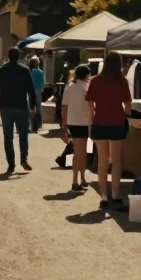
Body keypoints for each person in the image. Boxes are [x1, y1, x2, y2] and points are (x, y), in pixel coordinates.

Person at [87, 52, 132, 209]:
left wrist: (92, 117)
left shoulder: (96, 81)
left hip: (99, 122)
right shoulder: (122, 81)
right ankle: (116, 193)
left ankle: (104, 195)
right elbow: (128, 106)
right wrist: (124, 113)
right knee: (116, 160)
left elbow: (90, 103)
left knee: (103, 160)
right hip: (117, 122)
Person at [0, 47, 37, 175]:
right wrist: (32, 105)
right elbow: (31, 90)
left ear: (8, 56)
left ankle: (11, 164)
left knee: (8, 137)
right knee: (23, 135)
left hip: (5, 107)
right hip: (21, 107)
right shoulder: (25, 70)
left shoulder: (1, 70)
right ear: (18, 57)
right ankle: (23, 158)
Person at [59, 64, 92, 192]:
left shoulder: (69, 87)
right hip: (84, 123)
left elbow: (64, 106)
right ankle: (75, 181)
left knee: (80, 153)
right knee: (80, 153)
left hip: (72, 123)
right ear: (86, 75)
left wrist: (64, 123)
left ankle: (81, 179)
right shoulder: (87, 87)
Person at [29, 56, 46, 132]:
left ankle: (32, 125)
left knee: (31, 108)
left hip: (31, 91)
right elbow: (43, 82)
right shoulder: (41, 72)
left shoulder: (30, 71)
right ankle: (39, 124)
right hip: (39, 91)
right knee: (39, 108)